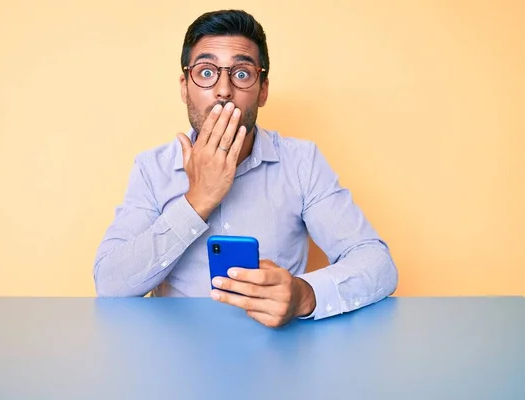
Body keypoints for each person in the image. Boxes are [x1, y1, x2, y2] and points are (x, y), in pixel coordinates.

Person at [93, 9, 398, 327]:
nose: (224, 90)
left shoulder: (301, 162)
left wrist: (303, 295)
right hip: (178, 360)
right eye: (207, 72)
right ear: (185, 87)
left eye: (241, 73)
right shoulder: (152, 169)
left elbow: (377, 263)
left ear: (262, 89)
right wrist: (198, 201)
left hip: (277, 358)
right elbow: (110, 283)